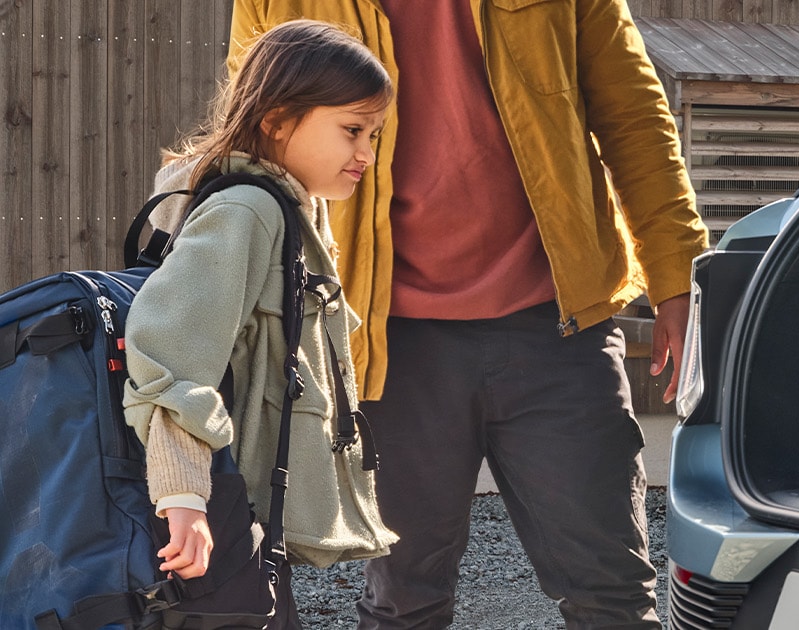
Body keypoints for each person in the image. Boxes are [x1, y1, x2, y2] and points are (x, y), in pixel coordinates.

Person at [229, 2, 709, 628]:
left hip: (558, 323)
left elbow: (635, 117)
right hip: (384, 340)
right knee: (406, 600)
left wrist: (680, 276)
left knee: (612, 590)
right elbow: (254, 141)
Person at [122, 19, 399, 627]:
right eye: (352, 130)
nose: (367, 154)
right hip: (215, 523)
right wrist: (185, 502)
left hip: (242, 521)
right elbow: (171, 360)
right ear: (276, 120)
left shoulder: (293, 207)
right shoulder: (247, 211)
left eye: (373, 134)